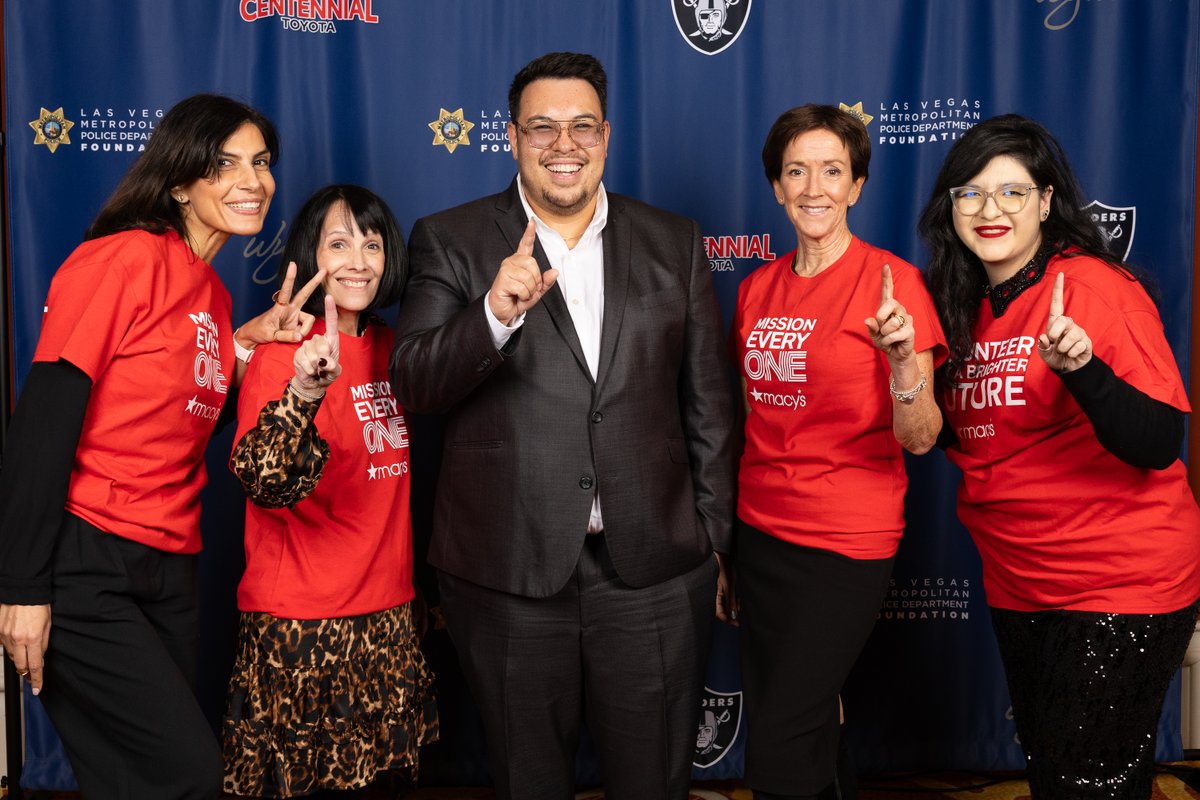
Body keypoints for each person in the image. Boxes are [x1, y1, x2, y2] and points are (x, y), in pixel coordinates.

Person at [389, 51, 735, 800]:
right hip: (508, 574)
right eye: (542, 127)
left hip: (652, 571)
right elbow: (413, 382)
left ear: (606, 136)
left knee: (653, 783)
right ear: (512, 137)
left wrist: (709, 540)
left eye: (581, 126)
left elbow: (708, 403)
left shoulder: (674, 240)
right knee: (529, 782)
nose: (563, 144)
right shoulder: (450, 239)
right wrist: (492, 315)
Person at [0, 93, 322, 800]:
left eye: (261, 163)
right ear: (180, 180)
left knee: (131, 785)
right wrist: (21, 586)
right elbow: (46, 417)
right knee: (186, 776)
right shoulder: (120, 259)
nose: (252, 180)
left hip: (169, 565)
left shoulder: (211, 292)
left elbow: (182, 413)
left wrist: (250, 343)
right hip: (88, 563)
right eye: (224, 163)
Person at [919, 114, 1200, 800]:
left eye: (1013, 192)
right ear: (949, 206)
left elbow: (1159, 441)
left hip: (1117, 582)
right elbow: (966, 436)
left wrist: (1082, 371)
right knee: (1059, 778)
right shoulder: (960, 305)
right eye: (971, 193)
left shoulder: (1095, 290)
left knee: (1087, 785)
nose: (990, 211)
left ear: (1046, 201)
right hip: (1021, 581)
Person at [729, 104, 946, 800]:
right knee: (807, 722)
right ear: (776, 187)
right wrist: (725, 547)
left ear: (856, 186)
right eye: (797, 171)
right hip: (761, 532)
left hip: (845, 541)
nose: (813, 188)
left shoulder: (893, 285)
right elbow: (749, 419)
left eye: (832, 171)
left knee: (780, 746)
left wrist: (902, 362)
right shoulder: (755, 289)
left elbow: (920, 437)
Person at [222, 185, 438, 799]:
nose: (358, 262)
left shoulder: (397, 350)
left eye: (371, 244)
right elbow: (263, 480)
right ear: (310, 256)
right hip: (303, 630)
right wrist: (304, 391)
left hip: (389, 621)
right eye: (338, 244)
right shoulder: (281, 354)